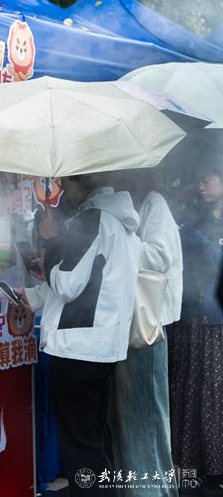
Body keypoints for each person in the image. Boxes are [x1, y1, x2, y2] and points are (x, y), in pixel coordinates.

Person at [17, 174, 140, 496]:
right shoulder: (120, 219)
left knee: (80, 445)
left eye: (66, 183)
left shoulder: (93, 219)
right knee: (94, 436)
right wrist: (34, 296)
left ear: (81, 182)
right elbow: (92, 281)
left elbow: (69, 284)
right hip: (101, 343)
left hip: (78, 346)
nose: (63, 190)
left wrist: (52, 241)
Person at [110, 170, 181, 497]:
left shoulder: (154, 204)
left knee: (145, 417)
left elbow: (160, 256)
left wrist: (121, 239)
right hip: (128, 325)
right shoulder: (136, 206)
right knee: (129, 417)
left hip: (146, 327)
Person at [169, 160, 223, 493]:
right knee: (187, 389)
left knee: (212, 390)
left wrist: (191, 235)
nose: (202, 186)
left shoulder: (196, 227)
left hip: (215, 321)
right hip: (189, 317)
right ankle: (191, 465)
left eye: (208, 180)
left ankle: (215, 468)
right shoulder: (192, 217)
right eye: (199, 181)